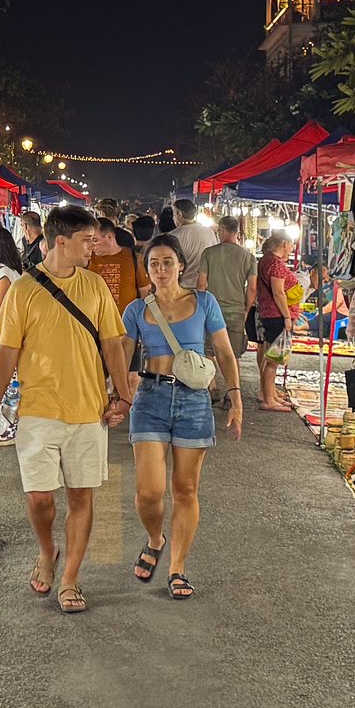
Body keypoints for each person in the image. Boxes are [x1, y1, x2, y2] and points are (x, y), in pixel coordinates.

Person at [0, 205, 136, 614]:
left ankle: (70, 578)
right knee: (40, 500)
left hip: (88, 410)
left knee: (82, 497)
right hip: (38, 411)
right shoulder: (24, 290)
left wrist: (123, 394)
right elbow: (7, 351)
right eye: (87, 240)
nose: (94, 247)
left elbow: (112, 342)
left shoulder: (95, 286)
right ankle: (47, 549)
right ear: (60, 242)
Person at [123, 239, 242, 598]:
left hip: (193, 400)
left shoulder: (204, 302)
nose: (160, 270)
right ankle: (155, 539)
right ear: (147, 269)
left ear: (181, 265)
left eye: (167, 262)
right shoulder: (136, 310)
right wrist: (114, 396)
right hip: (150, 398)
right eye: (154, 263)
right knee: (148, 493)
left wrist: (235, 398)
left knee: (185, 489)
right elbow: (122, 358)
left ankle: (177, 567)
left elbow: (223, 351)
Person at [194, 223, 259, 411]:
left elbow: (201, 284)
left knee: (208, 350)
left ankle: (212, 387)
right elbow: (252, 288)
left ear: (222, 230)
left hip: (211, 310)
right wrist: (245, 309)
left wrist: (201, 309)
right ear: (237, 232)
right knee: (233, 354)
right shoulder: (248, 257)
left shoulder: (209, 253)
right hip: (236, 311)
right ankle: (232, 394)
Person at [251, 229, 310, 413]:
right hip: (275, 315)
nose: (292, 248)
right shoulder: (275, 264)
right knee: (274, 359)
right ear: (284, 244)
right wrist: (286, 316)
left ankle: (270, 395)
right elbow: (278, 292)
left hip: (270, 313)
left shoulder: (266, 260)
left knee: (271, 356)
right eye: (291, 244)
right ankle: (268, 399)